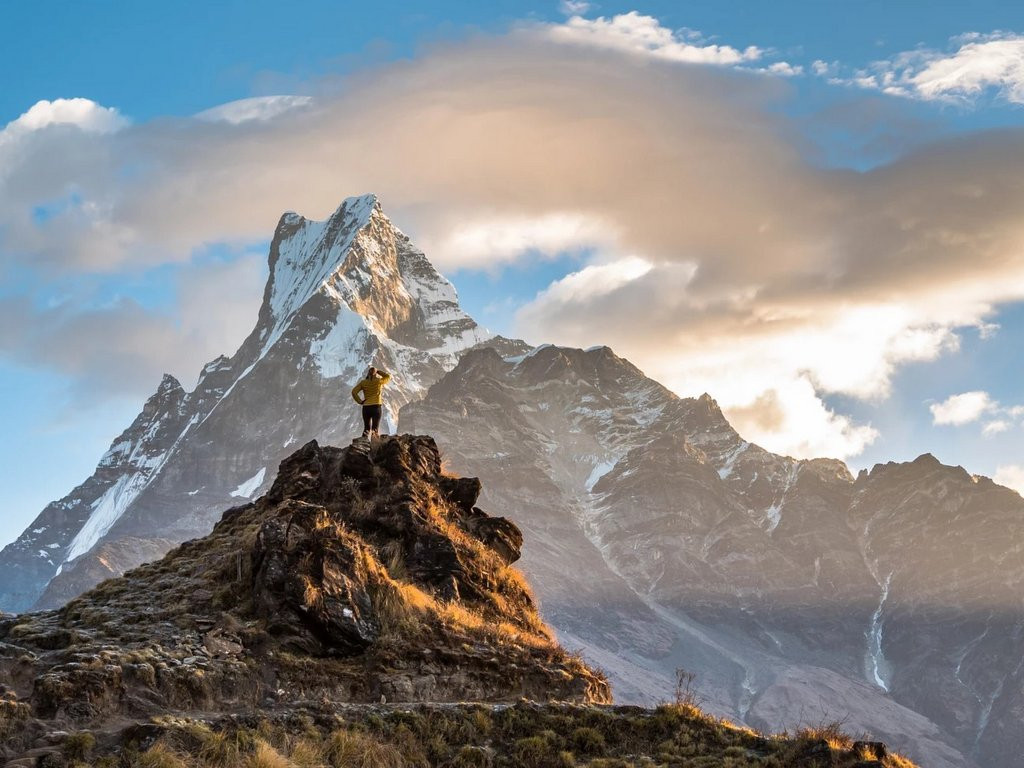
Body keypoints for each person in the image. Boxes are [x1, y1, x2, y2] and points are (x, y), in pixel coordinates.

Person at [351, 366, 391, 439]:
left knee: (366, 428)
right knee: (375, 429)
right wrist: (378, 371)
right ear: (375, 374)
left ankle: (362, 444)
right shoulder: (379, 381)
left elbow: (354, 392)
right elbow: (388, 376)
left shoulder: (363, 382)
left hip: (366, 407)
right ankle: (375, 446)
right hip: (376, 407)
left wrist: (360, 401)